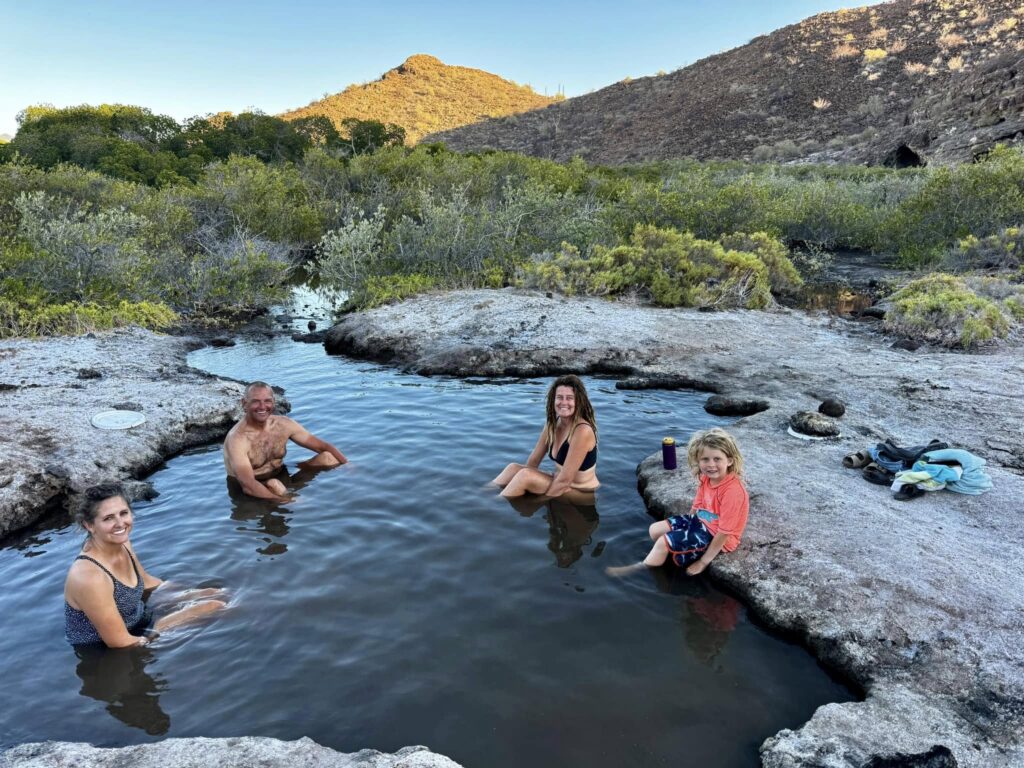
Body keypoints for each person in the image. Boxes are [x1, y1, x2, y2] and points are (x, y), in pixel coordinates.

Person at [64, 484, 227, 647]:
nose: (120, 524)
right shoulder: (90, 576)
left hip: (138, 619)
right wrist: (165, 627)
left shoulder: (121, 542)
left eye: (124, 513)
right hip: (105, 648)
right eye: (108, 518)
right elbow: (120, 643)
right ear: (89, 525)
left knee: (217, 594)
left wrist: (188, 593)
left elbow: (147, 583)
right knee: (216, 606)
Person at [607, 428, 748, 577]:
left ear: (730, 460)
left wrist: (703, 562)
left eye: (717, 459)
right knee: (654, 530)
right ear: (698, 460)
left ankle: (641, 567)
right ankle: (667, 553)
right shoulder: (706, 478)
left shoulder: (733, 492)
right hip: (700, 522)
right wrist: (688, 524)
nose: (711, 465)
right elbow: (698, 502)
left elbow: (724, 533)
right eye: (705, 459)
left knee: (662, 542)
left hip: (718, 536)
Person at [223, 381, 347, 500]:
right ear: (244, 403)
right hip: (250, 488)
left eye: (267, 401)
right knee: (274, 484)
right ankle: (301, 507)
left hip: (282, 474)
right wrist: (286, 501)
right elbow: (248, 486)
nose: (262, 406)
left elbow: (322, 446)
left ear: (274, 402)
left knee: (328, 458)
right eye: (256, 401)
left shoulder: (283, 424)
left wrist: (350, 467)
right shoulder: (237, 439)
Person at [493, 374, 599, 498]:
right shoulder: (552, 425)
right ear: (553, 400)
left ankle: (493, 508)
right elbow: (533, 463)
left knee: (525, 476)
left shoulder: (582, 430)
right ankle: (480, 496)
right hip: (559, 482)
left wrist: (538, 502)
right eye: (559, 397)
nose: (564, 402)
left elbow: (564, 482)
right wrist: (522, 486)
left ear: (578, 401)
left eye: (569, 398)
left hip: (581, 492)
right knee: (513, 468)